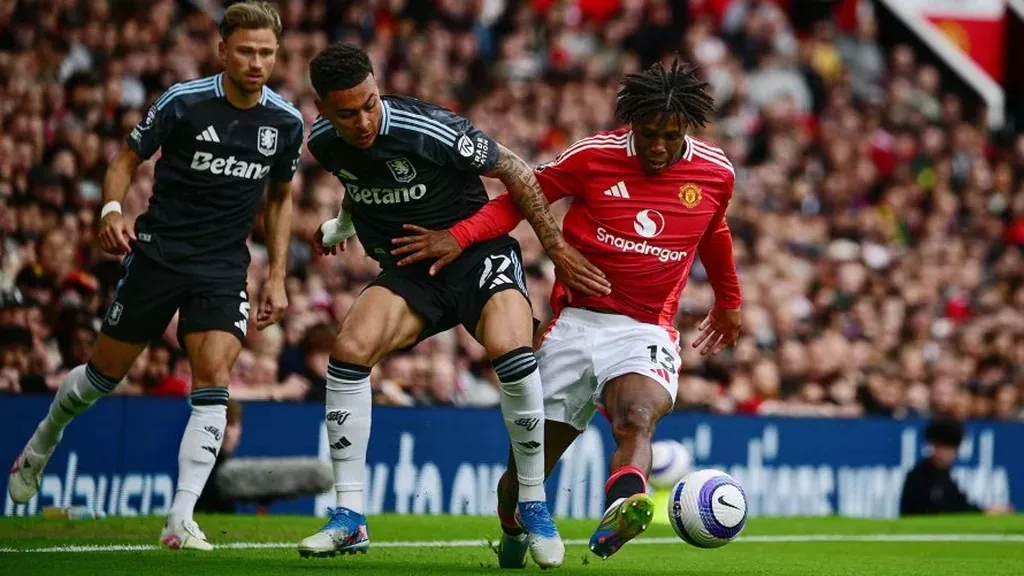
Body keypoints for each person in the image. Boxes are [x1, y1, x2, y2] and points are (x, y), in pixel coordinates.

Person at [390, 59, 743, 564]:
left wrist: (729, 300)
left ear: (687, 127)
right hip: (574, 324)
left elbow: (714, 230)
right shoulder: (593, 155)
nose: (659, 147)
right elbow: (521, 198)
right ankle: (512, 531)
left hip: (645, 328)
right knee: (524, 474)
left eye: (671, 136)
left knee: (637, 418)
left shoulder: (715, 171)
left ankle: (623, 505)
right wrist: (458, 235)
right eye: (649, 134)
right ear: (632, 124)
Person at [6, 1, 303, 551]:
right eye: (246, 51)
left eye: (266, 52)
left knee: (214, 378)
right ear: (222, 50)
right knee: (102, 377)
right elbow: (124, 161)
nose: (257, 62)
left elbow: (281, 199)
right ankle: (43, 442)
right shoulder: (183, 102)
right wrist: (111, 210)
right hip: (159, 255)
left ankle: (180, 518)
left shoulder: (285, 121)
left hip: (222, 266)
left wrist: (278, 275)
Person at [299, 43, 610, 568]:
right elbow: (358, 181)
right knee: (349, 349)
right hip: (412, 268)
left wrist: (555, 247)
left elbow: (516, 170)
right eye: (347, 113)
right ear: (323, 109)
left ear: (378, 87)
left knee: (511, 351)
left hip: (477, 256)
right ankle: (349, 517)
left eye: (370, 104)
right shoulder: (325, 141)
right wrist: (342, 225)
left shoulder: (430, 128)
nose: (363, 121)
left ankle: (533, 503)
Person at [899, 418, 1014, 516]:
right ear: (933, 447)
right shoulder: (918, 476)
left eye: (951, 450)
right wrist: (984, 512)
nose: (946, 454)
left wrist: (985, 511)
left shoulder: (945, 476)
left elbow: (960, 504)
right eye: (943, 448)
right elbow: (940, 509)